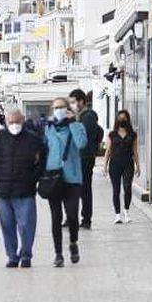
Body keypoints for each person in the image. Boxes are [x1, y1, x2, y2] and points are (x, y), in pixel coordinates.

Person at [0, 109, 44, 268]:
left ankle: (26, 254)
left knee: (26, 225)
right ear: (6, 122)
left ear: (23, 121)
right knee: (7, 225)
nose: (14, 125)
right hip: (3, 190)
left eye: (17, 122)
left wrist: (34, 178)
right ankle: (12, 256)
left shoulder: (32, 139)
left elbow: (42, 159)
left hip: (25, 190)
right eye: (11, 122)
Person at [42, 97, 87, 267]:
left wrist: (73, 122)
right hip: (53, 177)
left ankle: (73, 243)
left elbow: (82, 144)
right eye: (56, 108)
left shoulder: (76, 125)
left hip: (72, 178)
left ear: (68, 109)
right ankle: (58, 254)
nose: (58, 110)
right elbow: (42, 149)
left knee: (73, 215)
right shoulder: (48, 129)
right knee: (56, 218)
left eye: (62, 107)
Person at [68, 89, 103, 231]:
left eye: (74, 102)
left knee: (84, 189)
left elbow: (84, 135)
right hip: (75, 157)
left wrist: (92, 149)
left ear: (81, 101)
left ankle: (86, 219)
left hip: (84, 157)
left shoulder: (88, 116)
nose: (72, 105)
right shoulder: (78, 116)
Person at [105, 109, 139, 224]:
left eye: (124, 118)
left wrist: (138, 166)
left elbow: (135, 151)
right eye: (120, 118)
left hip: (128, 163)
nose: (122, 120)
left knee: (127, 187)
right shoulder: (112, 134)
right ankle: (117, 215)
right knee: (116, 189)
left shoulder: (132, 135)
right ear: (116, 120)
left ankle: (127, 211)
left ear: (128, 120)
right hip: (114, 164)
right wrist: (105, 166)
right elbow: (108, 151)